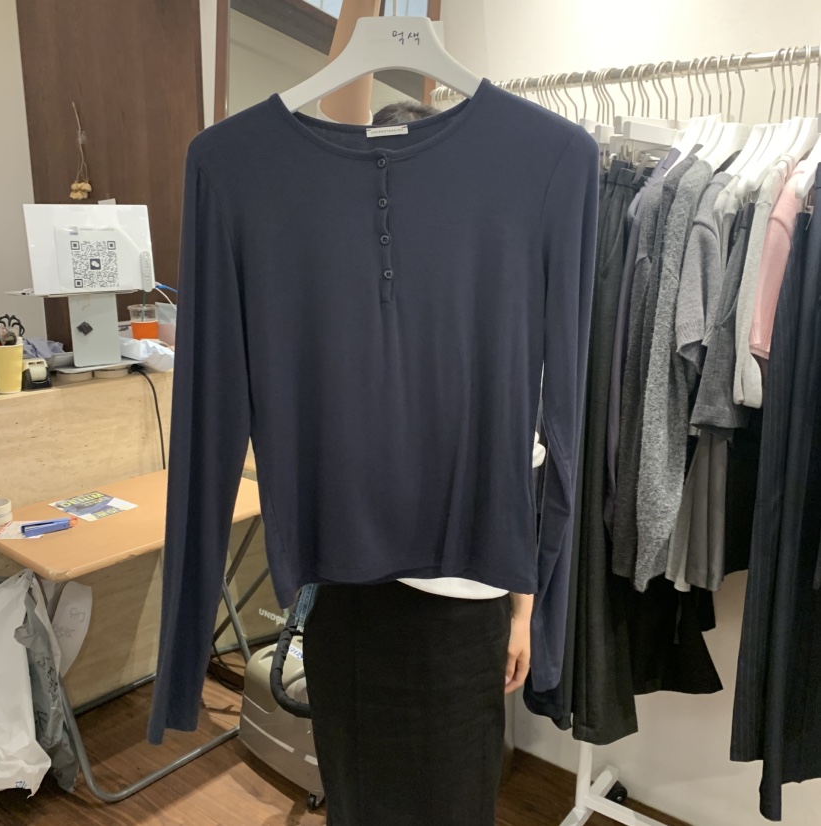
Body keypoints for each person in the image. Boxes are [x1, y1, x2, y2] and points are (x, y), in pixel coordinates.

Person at [299, 3, 538, 825]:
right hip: (358, 597)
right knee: (358, 800)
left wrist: (521, 614)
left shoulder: (501, 307)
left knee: (456, 802)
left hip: (465, 615)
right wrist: (364, 13)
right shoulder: (350, 305)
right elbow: (340, 122)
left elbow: (525, 478)